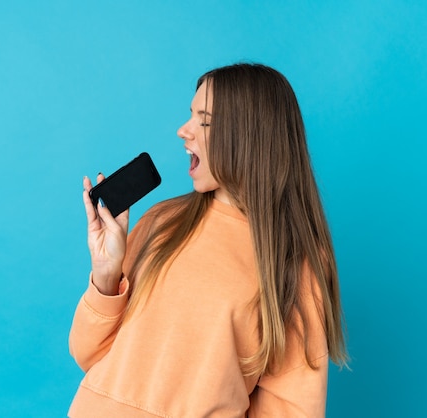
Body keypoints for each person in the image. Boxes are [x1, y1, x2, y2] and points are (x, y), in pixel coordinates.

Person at [68, 63, 347, 417]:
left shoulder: (291, 260)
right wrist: (106, 277)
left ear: (250, 135)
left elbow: (291, 408)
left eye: (205, 120)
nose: (183, 131)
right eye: (190, 115)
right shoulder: (161, 222)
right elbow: (87, 353)